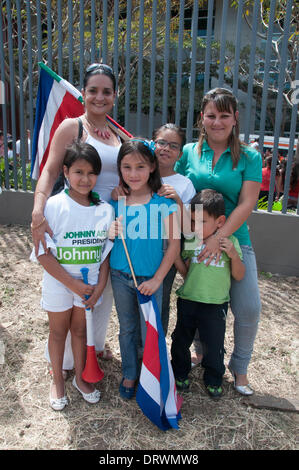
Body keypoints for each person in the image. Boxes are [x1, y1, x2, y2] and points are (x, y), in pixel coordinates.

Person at [31, 63, 123, 374]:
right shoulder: (73, 127)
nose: (100, 97)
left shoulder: (119, 134)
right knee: (72, 294)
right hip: (76, 225)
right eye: (93, 90)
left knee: (102, 289)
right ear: (83, 93)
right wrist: (37, 211)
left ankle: (94, 347)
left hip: (109, 225)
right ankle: (66, 358)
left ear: (115, 95)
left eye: (106, 91)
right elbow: (50, 170)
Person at [175, 87, 262, 395]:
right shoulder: (187, 152)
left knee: (249, 308)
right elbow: (172, 186)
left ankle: (239, 368)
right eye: (211, 115)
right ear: (202, 118)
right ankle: (200, 350)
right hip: (194, 242)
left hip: (233, 241)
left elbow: (246, 203)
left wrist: (218, 239)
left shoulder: (250, 156)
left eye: (225, 115)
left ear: (235, 118)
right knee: (199, 300)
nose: (218, 122)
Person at [31, 141, 114, 410]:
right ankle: (57, 380)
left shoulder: (105, 210)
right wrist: (73, 284)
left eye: (91, 173)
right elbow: (44, 255)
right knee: (58, 332)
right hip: (60, 283)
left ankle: (81, 377)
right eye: (78, 172)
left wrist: (99, 286)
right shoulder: (53, 207)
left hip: (88, 288)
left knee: (80, 331)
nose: (85, 179)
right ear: (65, 172)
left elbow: (104, 255)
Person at [109, 139, 180, 399]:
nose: (133, 174)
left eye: (140, 166)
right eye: (126, 167)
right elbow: (106, 237)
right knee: (127, 328)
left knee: (150, 330)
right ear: (119, 169)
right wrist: (108, 232)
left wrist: (158, 279)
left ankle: (152, 374)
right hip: (119, 276)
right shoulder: (116, 201)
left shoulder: (164, 204)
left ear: (152, 166)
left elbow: (174, 245)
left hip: (150, 279)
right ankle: (129, 372)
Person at [171, 189, 245, 398]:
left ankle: (213, 378)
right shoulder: (193, 241)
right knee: (180, 340)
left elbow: (239, 275)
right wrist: (175, 257)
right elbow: (186, 270)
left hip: (215, 304)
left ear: (220, 222)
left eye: (202, 222)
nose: (195, 227)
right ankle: (180, 373)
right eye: (193, 221)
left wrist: (232, 254)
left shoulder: (229, 244)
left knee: (213, 345)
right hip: (188, 300)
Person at [153, 123, 196, 334]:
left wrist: (178, 201)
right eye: (161, 142)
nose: (166, 148)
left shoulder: (185, 184)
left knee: (161, 299)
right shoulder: (137, 174)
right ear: (153, 144)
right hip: (138, 248)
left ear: (180, 153)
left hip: (167, 253)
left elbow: (191, 228)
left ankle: (155, 351)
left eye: (173, 145)